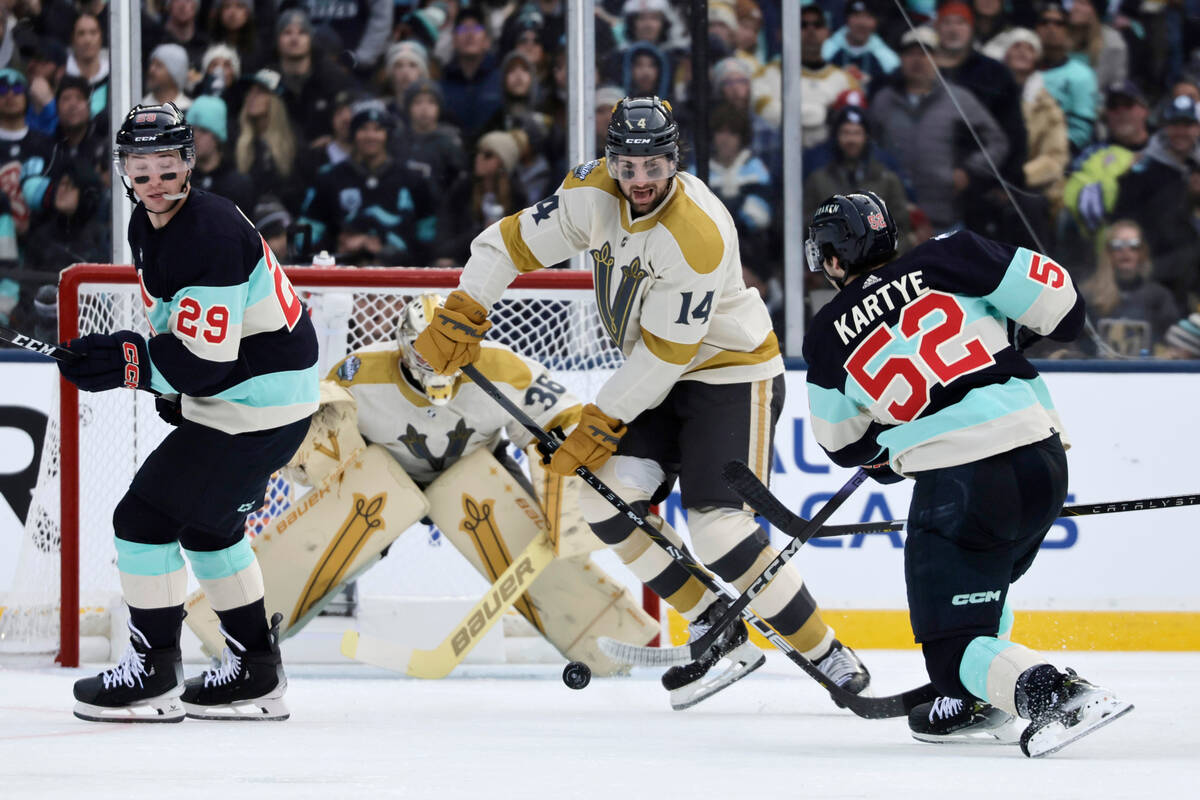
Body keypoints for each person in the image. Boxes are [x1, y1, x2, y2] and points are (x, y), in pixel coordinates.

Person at [413, 96, 872, 710]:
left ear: (674, 162)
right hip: (655, 372)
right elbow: (503, 245)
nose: (640, 182)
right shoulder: (588, 194)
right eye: (627, 168)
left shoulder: (698, 235)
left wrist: (600, 419)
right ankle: (717, 622)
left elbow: (666, 354)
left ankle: (826, 651)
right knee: (603, 501)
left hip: (731, 374)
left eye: (653, 166)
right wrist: (466, 309)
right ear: (611, 163)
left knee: (719, 530)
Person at [803, 191, 1132, 758]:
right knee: (984, 584)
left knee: (952, 654)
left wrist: (888, 455)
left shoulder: (826, 332)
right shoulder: (949, 253)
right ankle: (982, 702)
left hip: (960, 485)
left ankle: (1053, 692)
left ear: (833, 260)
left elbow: (843, 444)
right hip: (1042, 459)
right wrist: (1006, 325)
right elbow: (1064, 310)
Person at [59, 102, 319, 723]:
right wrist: (162, 381)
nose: (154, 182)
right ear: (124, 171)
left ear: (188, 164)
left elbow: (203, 361)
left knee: (142, 518)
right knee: (208, 528)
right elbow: (178, 329)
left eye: (166, 168)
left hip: (257, 401)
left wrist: (131, 365)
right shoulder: (147, 225)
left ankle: (152, 674)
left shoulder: (207, 231)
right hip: (257, 396)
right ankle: (256, 672)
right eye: (140, 170)